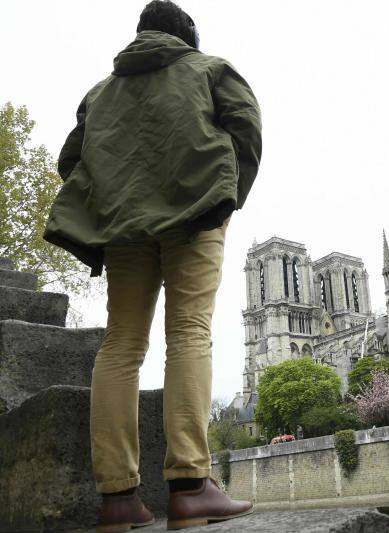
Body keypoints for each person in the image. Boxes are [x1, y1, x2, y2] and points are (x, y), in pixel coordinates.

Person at [42, 1, 262, 531]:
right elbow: (247, 133)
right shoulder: (209, 68)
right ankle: (189, 486)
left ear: (140, 36)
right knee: (188, 333)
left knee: (120, 345)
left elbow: (70, 162)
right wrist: (225, 195)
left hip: (123, 228)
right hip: (195, 213)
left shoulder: (100, 93)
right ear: (187, 37)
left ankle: (118, 499)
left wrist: (114, 202)